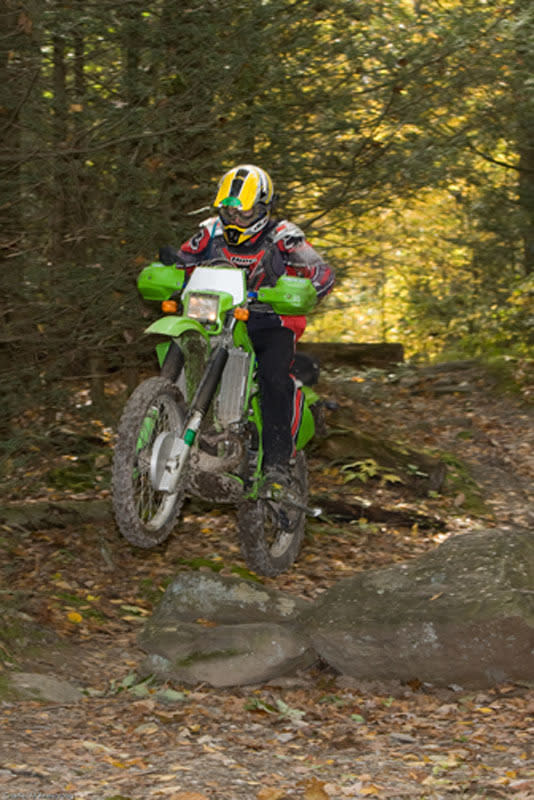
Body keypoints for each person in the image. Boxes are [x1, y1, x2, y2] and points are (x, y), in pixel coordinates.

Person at [159, 164, 334, 490]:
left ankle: (277, 465)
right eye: (229, 211)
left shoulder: (284, 236)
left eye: (245, 211)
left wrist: (301, 290)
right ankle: (156, 424)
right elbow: (184, 260)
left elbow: (321, 273)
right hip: (212, 314)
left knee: (273, 377)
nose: (236, 218)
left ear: (264, 207)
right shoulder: (209, 231)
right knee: (181, 340)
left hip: (268, 320)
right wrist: (171, 271)